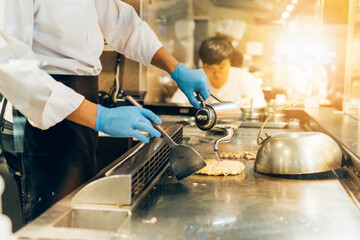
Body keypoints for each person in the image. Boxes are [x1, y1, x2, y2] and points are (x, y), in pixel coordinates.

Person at [0, 0, 210, 224]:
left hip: (84, 98)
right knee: (56, 218)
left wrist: (175, 68)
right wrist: (100, 116)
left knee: (77, 211)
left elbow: (121, 22)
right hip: (45, 109)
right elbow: (9, 63)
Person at [171, 36, 266, 108]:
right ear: (203, 64)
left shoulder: (244, 78)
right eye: (210, 68)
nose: (216, 74)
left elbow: (259, 105)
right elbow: (175, 106)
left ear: (229, 63)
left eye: (221, 67)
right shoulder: (194, 79)